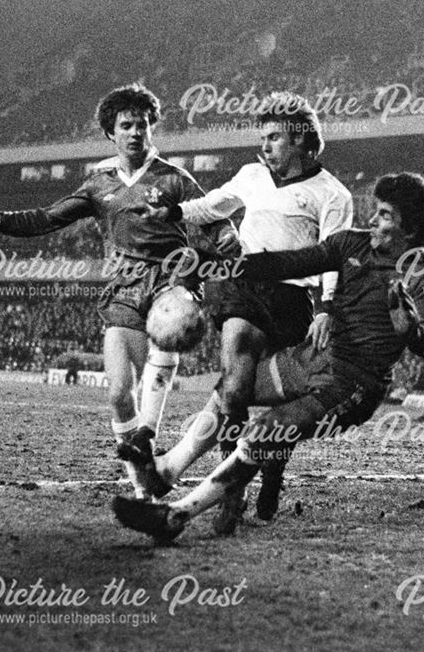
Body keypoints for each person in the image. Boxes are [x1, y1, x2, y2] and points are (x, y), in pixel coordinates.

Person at [112, 172, 424, 543]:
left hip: (353, 385)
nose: (373, 219)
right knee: (232, 388)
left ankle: (176, 515)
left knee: (266, 431)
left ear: (413, 229)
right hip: (312, 358)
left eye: (386, 215)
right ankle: (166, 471)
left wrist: (409, 329)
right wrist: (216, 266)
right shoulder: (351, 245)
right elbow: (286, 264)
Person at [0, 83, 237, 499]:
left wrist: (227, 234)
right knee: (117, 394)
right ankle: (143, 487)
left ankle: (146, 432)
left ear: (151, 128)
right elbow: (46, 218)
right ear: (111, 132)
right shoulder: (98, 185)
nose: (135, 133)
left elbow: (213, 217)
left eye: (141, 124)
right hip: (123, 288)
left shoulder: (175, 180)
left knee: (169, 330)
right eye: (126, 126)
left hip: (170, 280)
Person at [136, 91, 353, 533]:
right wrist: (174, 210)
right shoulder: (252, 175)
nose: (266, 144)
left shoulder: (332, 194)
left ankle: (271, 474)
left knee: (281, 413)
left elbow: (336, 255)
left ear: (300, 140)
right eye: (263, 136)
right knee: (234, 390)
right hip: (242, 288)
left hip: (293, 302)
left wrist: (326, 308)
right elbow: (214, 204)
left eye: (274, 136)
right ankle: (230, 494)